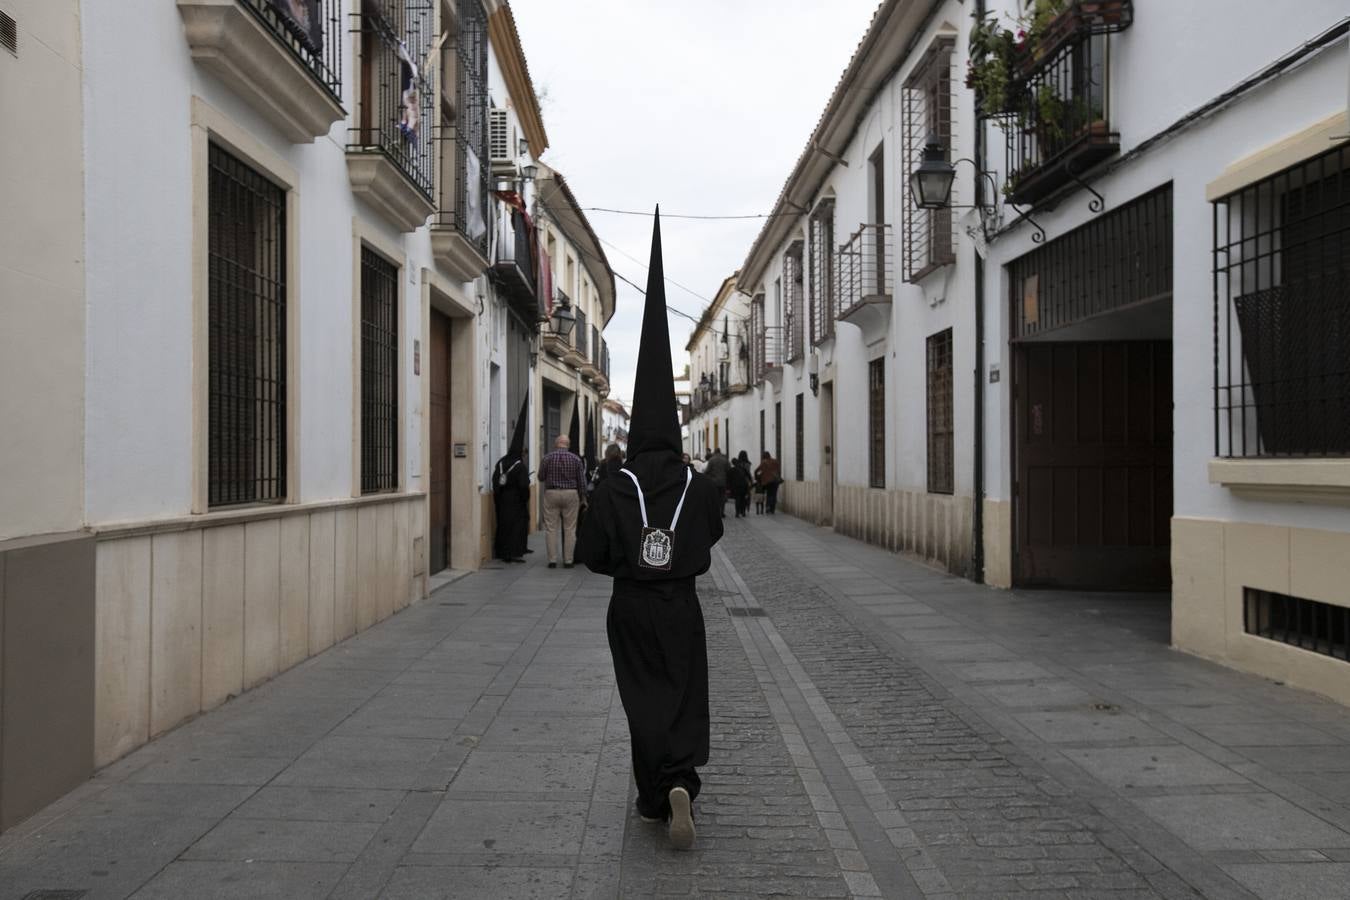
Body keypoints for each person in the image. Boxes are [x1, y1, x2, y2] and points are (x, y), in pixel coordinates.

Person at [579, 209, 723, 851]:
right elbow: (711, 542)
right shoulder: (702, 484)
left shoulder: (613, 484)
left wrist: (629, 562)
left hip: (632, 606)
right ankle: (682, 780)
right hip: (681, 604)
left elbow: (590, 555)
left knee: (643, 696)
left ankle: (651, 795)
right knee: (685, 687)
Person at [539, 434, 588, 569]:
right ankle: (568, 560)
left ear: (556, 444)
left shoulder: (547, 458)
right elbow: (582, 482)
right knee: (570, 528)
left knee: (550, 528)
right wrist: (583, 497)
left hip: (551, 493)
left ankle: (552, 560)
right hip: (571, 494)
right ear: (568, 444)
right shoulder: (576, 459)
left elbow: (541, 477)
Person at [492, 397, 531, 563]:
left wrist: (499, 495)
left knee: (503, 525)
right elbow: (523, 486)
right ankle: (513, 552)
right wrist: (524, 498)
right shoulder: (520, 466)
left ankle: (502, 551)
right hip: (516, 501)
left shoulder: (501, 462)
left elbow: (495, 481)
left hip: (502, 499)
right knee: (516, 526)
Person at [703, 448, 730, 518]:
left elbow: (707, 470)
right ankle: (722, 512)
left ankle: (716, 512)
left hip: (714, 482)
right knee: (722, 497)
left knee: (715, 497)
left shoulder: (711, 460)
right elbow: (729, 470)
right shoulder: (725, 459)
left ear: (714, 452)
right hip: (723, 482)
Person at [755, 450, 781, 515]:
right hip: (775, 481)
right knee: (774, 494)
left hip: (767, 481)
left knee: (769, 494)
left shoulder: (764, 462)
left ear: (764, 457)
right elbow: (778, 470)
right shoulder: (775, 461)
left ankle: (768, 507)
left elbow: (756, 471)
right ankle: (772, 509)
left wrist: (757, 478)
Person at [729, 450, 753, 518]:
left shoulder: (738, 464)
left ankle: (737, 512)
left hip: (737, 483)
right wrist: (751, 482)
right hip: (745, 483)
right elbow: (748, 473)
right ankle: (743, 511)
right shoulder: (748, 463)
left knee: (737, 498)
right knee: (744, 498)